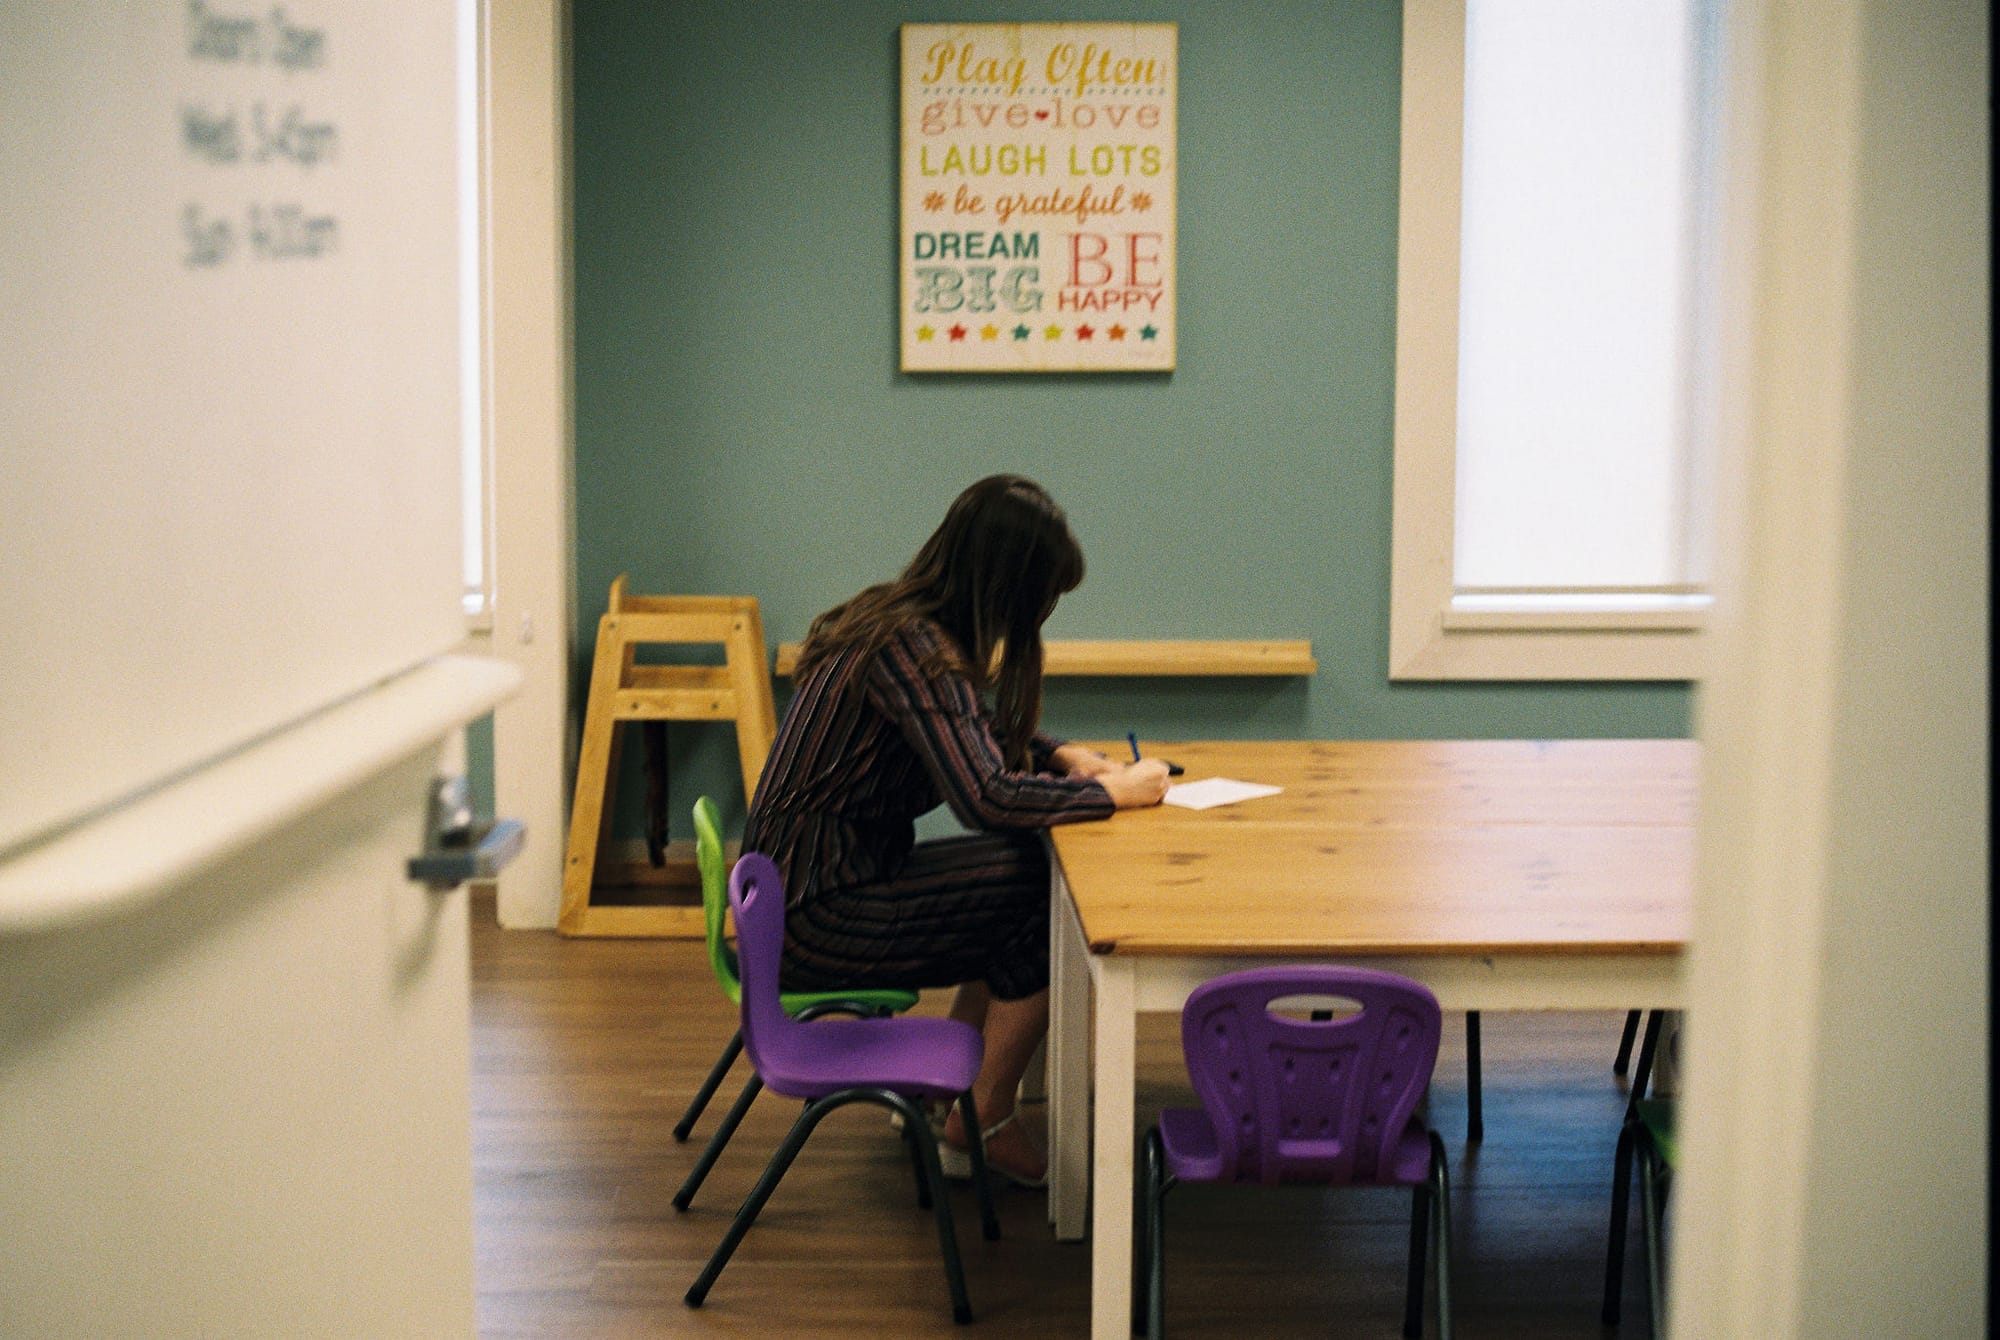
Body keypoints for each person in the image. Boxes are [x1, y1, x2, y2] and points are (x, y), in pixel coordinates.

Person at [742, 474, 1170, 1187]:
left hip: (806, 891)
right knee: (1041, 891)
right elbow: (988, 797)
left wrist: (1057, 751)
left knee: (1023, 876)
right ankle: (983, 1114)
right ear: (1008, 587)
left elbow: (966, 732)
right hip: (819, 912)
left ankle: (955, 1096)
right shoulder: (915, 649)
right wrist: (1111, 794)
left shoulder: (897, 623)